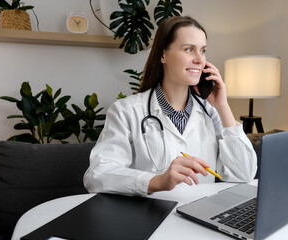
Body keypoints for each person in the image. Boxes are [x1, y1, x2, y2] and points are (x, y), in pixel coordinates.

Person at [84, 16, 257, 196]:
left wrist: (223, 106)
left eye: (203, 50)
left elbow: (243, 175)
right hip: (151, 218)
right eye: (189, 49)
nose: (200, 59)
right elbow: (97, 176)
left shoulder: (212, 112)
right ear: (163, 55)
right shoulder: (126, 111)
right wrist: (157, 181)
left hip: (201, 217)